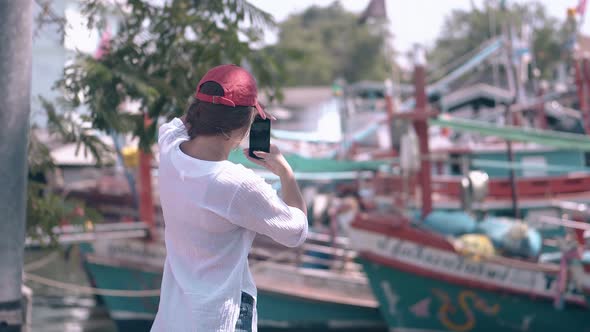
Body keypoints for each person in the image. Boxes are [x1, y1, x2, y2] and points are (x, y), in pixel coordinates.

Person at [151, 64, 308, 332]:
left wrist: (208, 102)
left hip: (172, 319)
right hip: (220, 321)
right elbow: (296, 232)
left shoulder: (168, 147)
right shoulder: (238, 185)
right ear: (242, 127)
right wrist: (285, 171)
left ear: (198, 111)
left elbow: (179, 124)